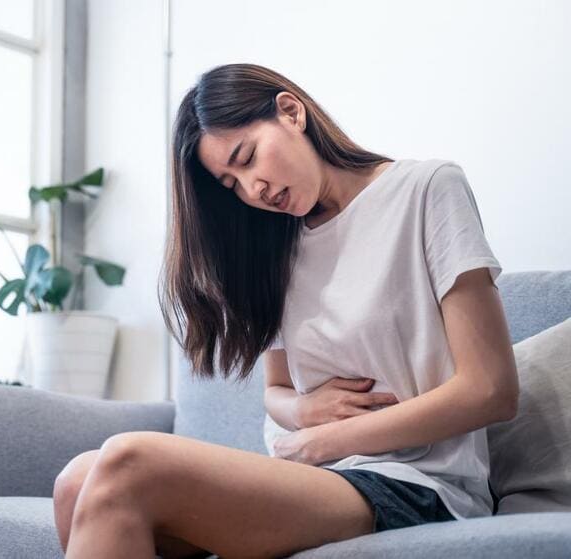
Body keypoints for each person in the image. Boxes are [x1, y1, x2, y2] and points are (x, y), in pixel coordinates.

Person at [52, 62, 519, 559]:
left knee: (128, 460)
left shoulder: (426, 189)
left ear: (291, 112)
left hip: (418, 483)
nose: (253, 189)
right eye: (232, 184)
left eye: (248, 157)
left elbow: (489, 390)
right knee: (76, 480)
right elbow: (276, 391)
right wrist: (302, 410)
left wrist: (323, 441)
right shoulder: (277, 248)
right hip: (314, 476)